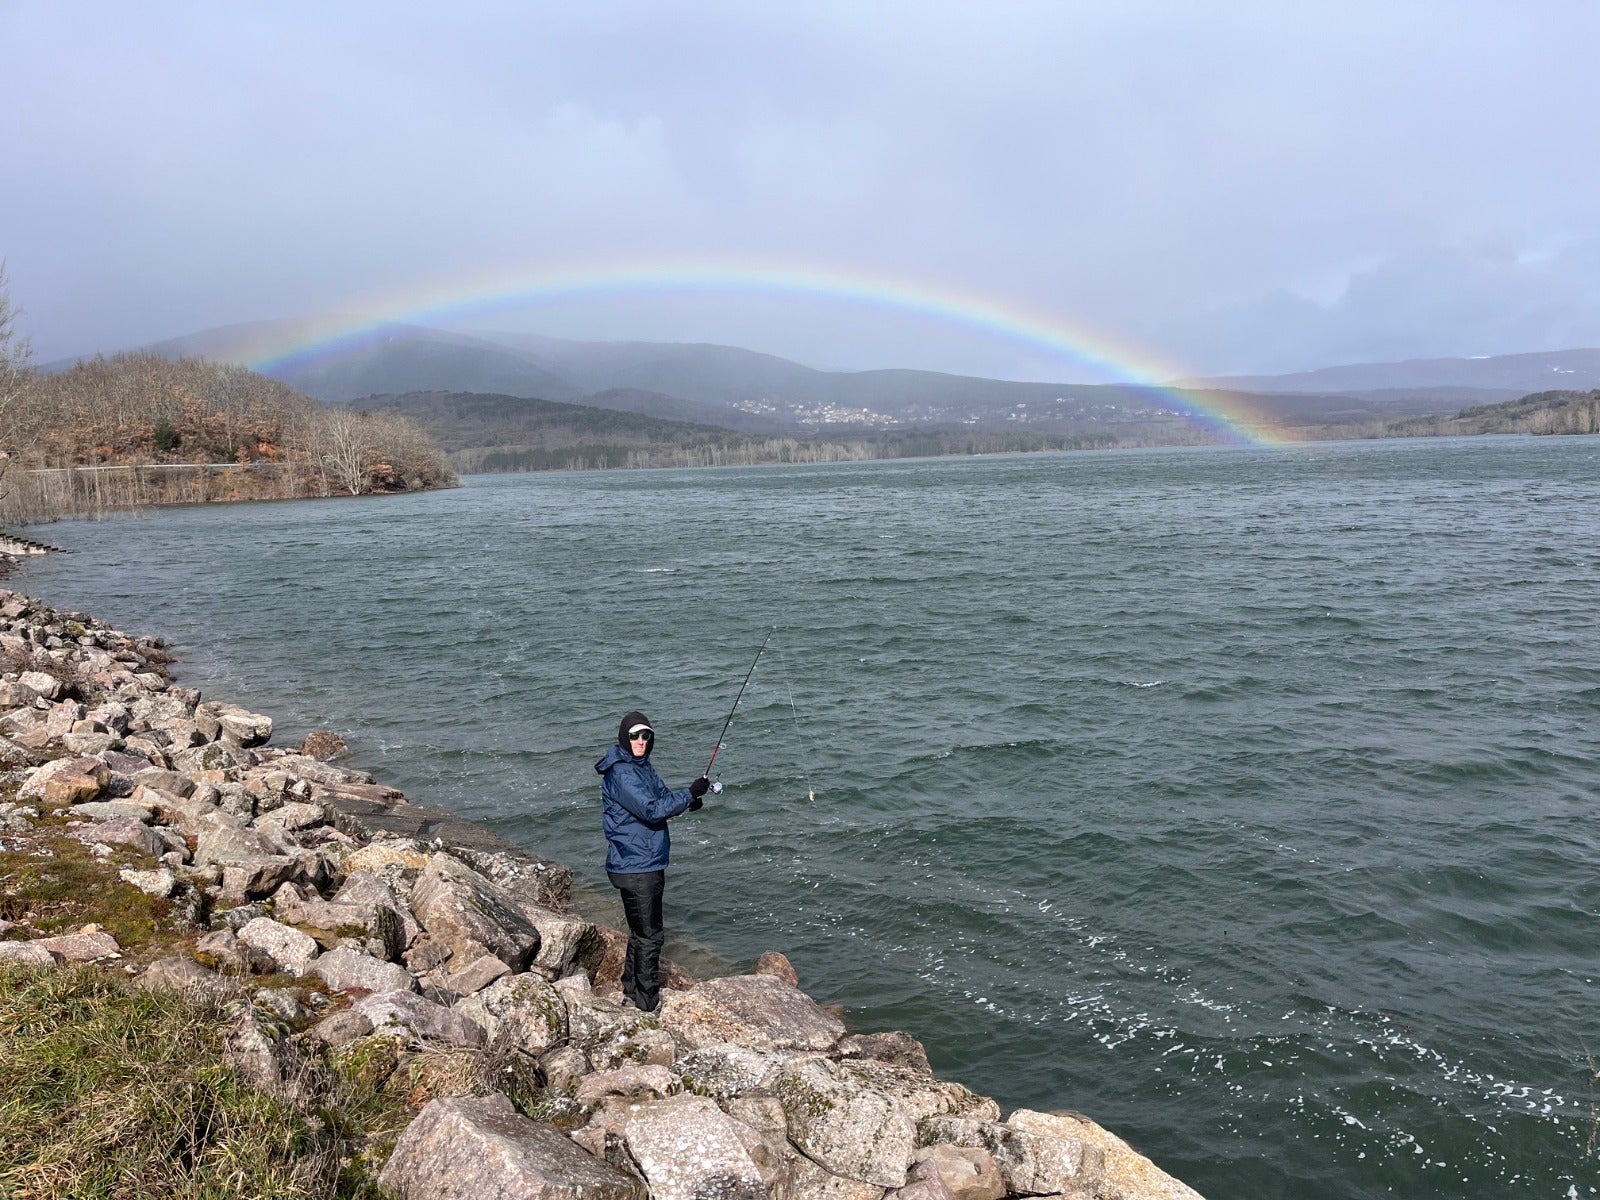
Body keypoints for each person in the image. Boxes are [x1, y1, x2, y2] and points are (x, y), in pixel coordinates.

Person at [594, 710, 709, 1012]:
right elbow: (651, 810)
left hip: (641, 862)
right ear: (624, 737)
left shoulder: (641, 766)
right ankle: (647, 1003)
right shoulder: (622, 773)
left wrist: (689, 800)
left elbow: (661, 799)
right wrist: (688, 793)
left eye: (646, 735)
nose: (641, 741)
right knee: (651, 936)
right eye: (635, 736)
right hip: (637, 865)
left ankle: (631, 988)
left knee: (640, 932)